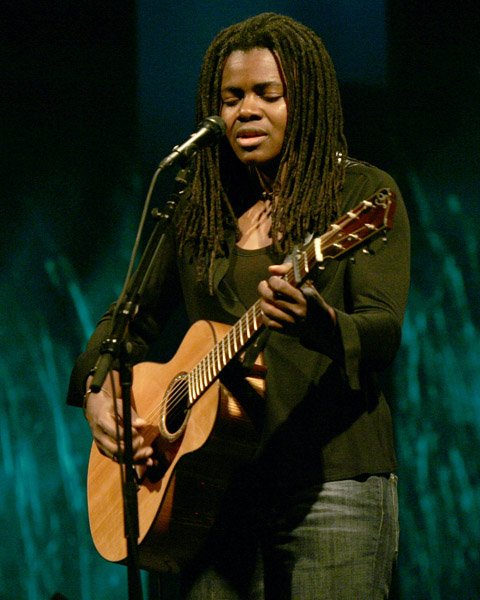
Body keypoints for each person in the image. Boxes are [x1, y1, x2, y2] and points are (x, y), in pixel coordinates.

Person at [68, 12, 410, 599]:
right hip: (211, 492)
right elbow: (126, 320)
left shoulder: (360, 195)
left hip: (330, 486)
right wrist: (98, 393)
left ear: (305, 102)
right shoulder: (197, 206)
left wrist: (317, 322)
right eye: (231, 98)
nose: (245, 110)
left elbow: (382, 332)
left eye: (266, 94)